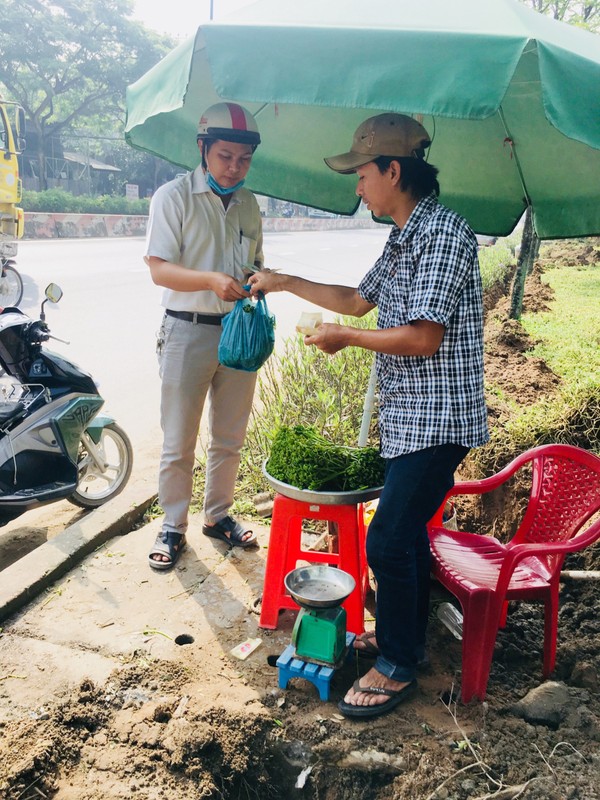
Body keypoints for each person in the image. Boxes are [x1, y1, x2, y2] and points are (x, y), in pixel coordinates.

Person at [249, 113, 489, 719]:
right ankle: (401, 638)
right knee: (401, 535)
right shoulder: (403, 234)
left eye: (361, 174)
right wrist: (284, 282)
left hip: (440, 419)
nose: (357, 187)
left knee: (386, 538)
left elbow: (424, 338)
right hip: (408, 418)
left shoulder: (443, 234)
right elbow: (358, 300)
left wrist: (348, 340)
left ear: (393, 170)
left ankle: (399, 666)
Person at [145, 102, 264, 570]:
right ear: (203, 149)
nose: (234, 168)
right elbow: (159, 270)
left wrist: (258, 276)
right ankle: (173, 525)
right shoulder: (173, 197)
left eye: (244, 159)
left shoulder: (250, 203)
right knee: (178, 440)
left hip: (238, 332)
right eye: (225, 157)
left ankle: (218, 516)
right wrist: (212, 280)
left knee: (229, 436)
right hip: (186, 330)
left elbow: (255, 258)